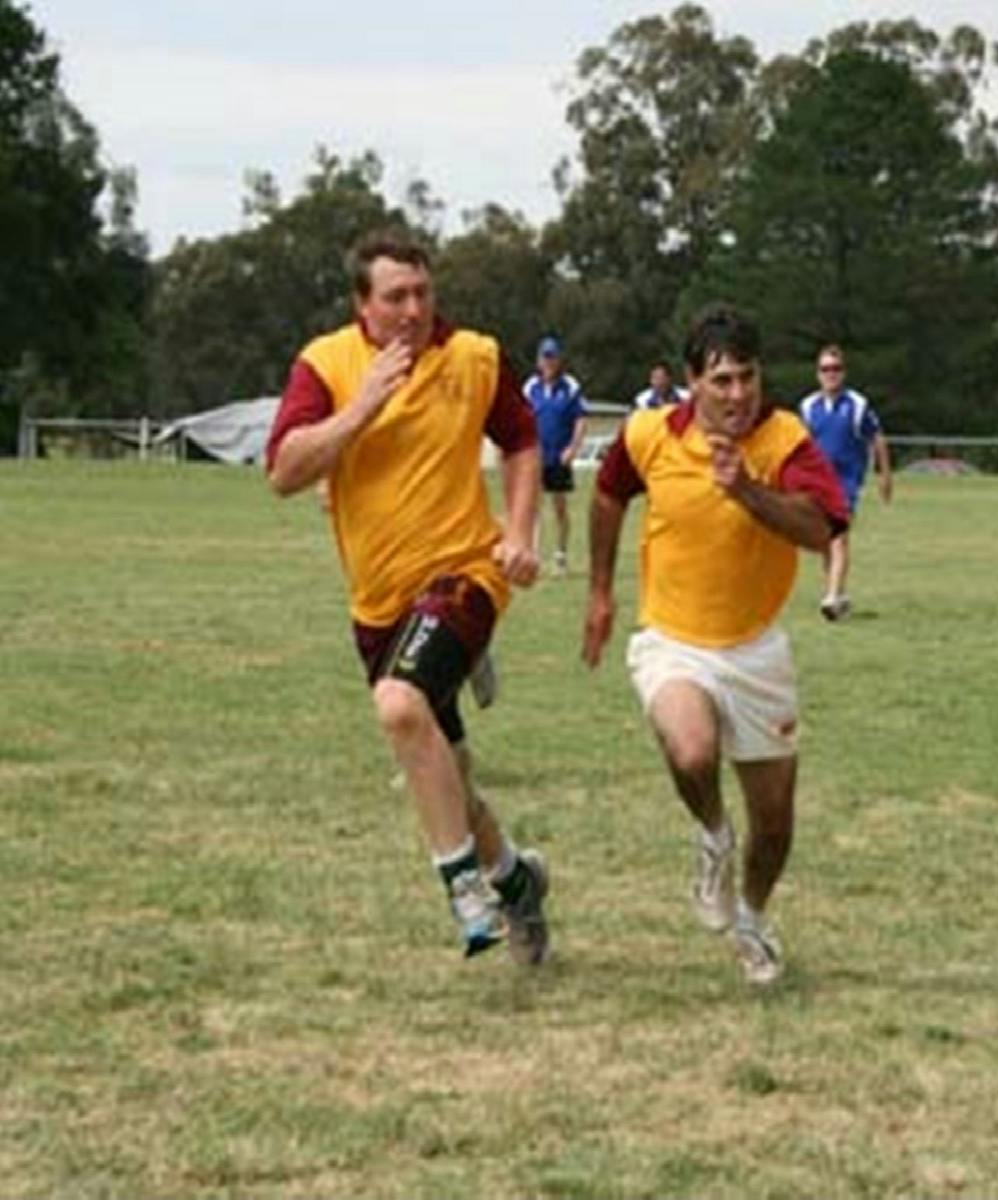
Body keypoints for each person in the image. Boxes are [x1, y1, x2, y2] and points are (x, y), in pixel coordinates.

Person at [266, 232, 552, 967]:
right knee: (448, 777)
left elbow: (523, 441)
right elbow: (284, 471)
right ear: (363, 304)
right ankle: (517, 880)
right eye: (395, 296)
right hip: (378, 603)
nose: (414, 309)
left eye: (423, 293)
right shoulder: (326, 365)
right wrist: (361, 406)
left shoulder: (475, 356)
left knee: (397, 704)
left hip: (464, 574)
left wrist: (518, 531)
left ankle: (462, 885)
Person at [582, 305, 848, 985]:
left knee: (777, 824)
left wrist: (747, 491)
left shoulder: (786, 439)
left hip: (756, 652)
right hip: (672, 640)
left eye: (748, 378)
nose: (738, 395)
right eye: (722, 380)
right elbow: (609, 495)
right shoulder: (648, 434)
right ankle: (711, 833)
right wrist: (601, 592)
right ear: (692, 383)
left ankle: (754, 920)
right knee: (693, 747)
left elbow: (821, 531)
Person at [798, 345, 893, 621]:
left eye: (836, 369)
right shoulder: (808, 407)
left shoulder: (857, 405)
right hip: (817, 483)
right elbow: (801, 444)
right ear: (817, 374)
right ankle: (838, 595)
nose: (831, 374)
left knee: (838, 538)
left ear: (844, 372)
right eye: (825, 369)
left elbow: (877, 438)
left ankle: (830, 597)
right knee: (826, 542)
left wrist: (884, 475)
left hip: (846, 482)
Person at [522, 335, 587, 577]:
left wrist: (573, 448)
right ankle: (535, 555)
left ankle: (561, 554)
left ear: (559, 360)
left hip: (559, 457)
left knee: (559, 507)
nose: (548, 362)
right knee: (533, 507)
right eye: (544, 357)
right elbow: (523, 419)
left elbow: (580, 419)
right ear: (538, 361)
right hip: (536, 455)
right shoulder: (530, 388)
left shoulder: (569, 386)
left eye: (552, 357)